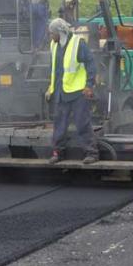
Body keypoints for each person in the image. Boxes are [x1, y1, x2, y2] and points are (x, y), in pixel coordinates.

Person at [45, 18, 99, 164]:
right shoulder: (54, 45)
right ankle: (58, 153)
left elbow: (91, 63)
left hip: (78, 92)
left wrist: (89, 85)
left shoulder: (78, 44)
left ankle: (91, 153)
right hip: (62, 92)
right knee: (59, 124)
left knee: (82, 123)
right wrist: (51, 88)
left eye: (52, 34)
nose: (51, 37)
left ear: (60, 32)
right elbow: (55, 70)